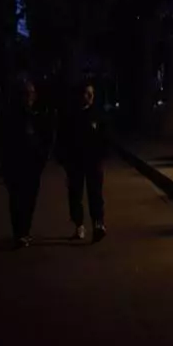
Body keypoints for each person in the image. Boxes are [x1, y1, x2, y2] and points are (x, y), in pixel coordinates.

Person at [1, 80, 54, 248]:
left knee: (29, 199)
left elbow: (46, 137)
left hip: (32, 166)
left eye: (31, 93)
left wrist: (42, 157)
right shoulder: (11, 117)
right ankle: (19, 232)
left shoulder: (37, 116)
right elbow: (3, 141)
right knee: (17, 199)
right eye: (25, 94)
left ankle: (24, 231)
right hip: (15, 165)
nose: (29, 97)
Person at [57, 83, 109, 243]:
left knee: (95, 194)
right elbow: (63, 139)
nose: (89, 96)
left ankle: (98, 224)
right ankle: (79, 225)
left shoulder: (98, 114)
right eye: (86, 93)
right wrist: (64, 161)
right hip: (75, 162)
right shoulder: (71, 116)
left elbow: (105, 137)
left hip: (93, 162)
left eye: (91, 93)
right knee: (75, 195)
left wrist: (102, 156)